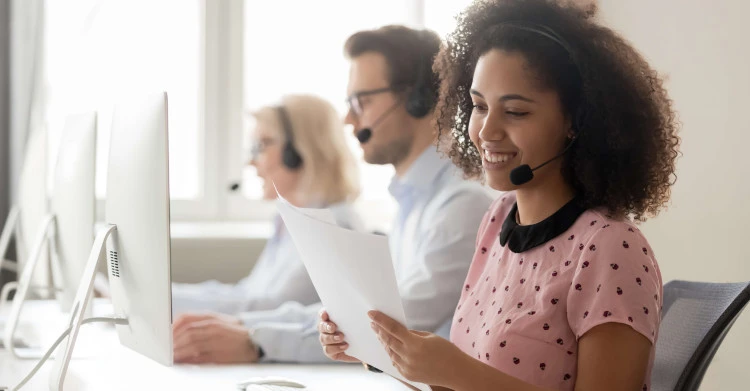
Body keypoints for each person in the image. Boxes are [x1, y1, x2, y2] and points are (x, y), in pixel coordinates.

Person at [319, 1, 680, 390]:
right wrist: (383, 351)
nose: (487, 131)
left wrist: (455, 369)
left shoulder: (610, 249)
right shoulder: (497, 220)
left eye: (516, 112)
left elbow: (470, 378)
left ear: (576, 122)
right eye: (478, 106)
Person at [170, 25, 492, 365]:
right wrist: (249, 327)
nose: (348, 118)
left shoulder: (460, 205)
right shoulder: (414, 204)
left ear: (419, 100)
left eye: (362, 101)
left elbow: (391, 326)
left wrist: (258, 339)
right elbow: (354, 312)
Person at [171, 94, 363, 318]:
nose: (251, 163)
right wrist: (167, 294)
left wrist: (166, 302)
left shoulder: (334, 226)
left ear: (298, 151)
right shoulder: (289, 219)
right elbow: (247, 293)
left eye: (260, 146)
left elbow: (271, 308)